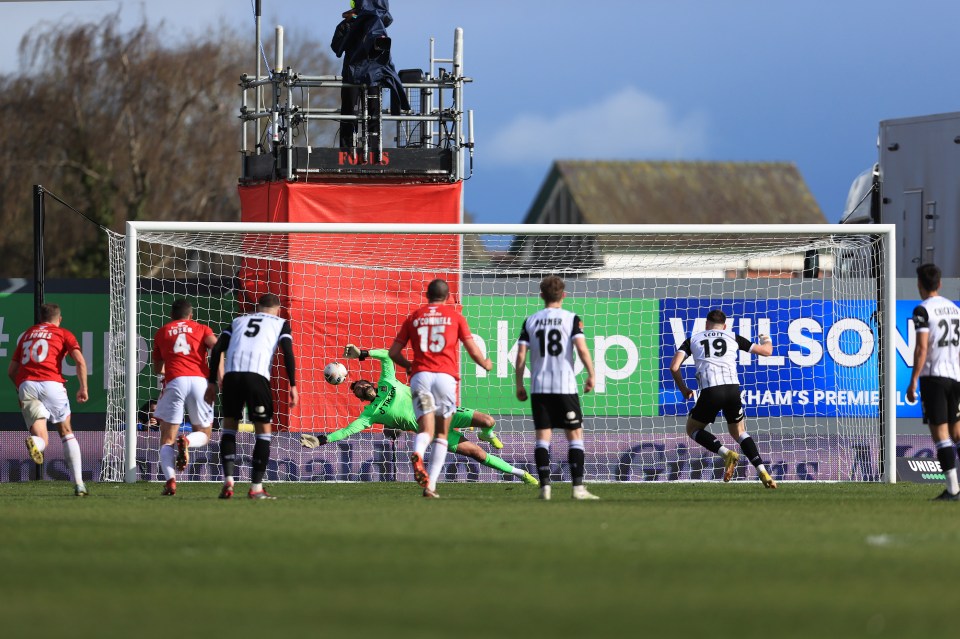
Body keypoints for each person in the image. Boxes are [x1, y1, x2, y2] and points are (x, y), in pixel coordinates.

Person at [301, 344, 538, 487]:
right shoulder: (370, 414)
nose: (357, 388)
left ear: (367, 382)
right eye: (355, 391)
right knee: (477, 454)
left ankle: (487, 434)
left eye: (359, 385)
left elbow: (386, 355)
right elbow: (347, 431)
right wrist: (321, 440)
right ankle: (522, 474)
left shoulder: (388, 382)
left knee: (488, 421)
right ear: (361, 399)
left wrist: (362, 353)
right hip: (431, 431)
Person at [389, 279, 493, 498]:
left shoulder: (415, 317)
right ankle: (431, 486)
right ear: (447, 298)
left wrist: (409, 366)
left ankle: (418, 452)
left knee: (425, 429)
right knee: (442, 434)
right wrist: (485, 363)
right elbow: (472, 348)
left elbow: (393, 353)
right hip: (445, 379)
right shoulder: (455, 317)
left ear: (427, 295)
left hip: (421, 378)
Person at [204, 293, 298, 500]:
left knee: (229, 427)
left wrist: (212, 382)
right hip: (256, 377)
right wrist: (293, 384)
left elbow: (218, 348)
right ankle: (256, 488)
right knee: (263, 432)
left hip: (231, 378)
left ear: (257, 308)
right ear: (278, 309)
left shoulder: (238, 320)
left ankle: (228, 480)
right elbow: (288, 352)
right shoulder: (280, 322)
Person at [669, 309, 776, 488]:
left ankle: (726, 454)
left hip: (711, 391)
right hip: (733, 389)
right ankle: (762, 470)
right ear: (724, 326)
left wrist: (684, 389)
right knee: (739, 432)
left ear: (706, 325)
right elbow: (767, 351)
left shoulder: (693, 339)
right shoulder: (732, 336)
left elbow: (674, 367)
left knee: (693, 429)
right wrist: (767, 339)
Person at [515, 276, 598, 501]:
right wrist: (591, 374)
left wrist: (519, 384)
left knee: (543, 437)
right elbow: (581, 348)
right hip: (564, 385)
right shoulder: (571, 319)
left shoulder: (530, 320)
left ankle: (545, 488)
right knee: (575, 436)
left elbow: (521, 355)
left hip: (539, 387)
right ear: (564, 295)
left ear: (541, 295)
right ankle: (578, 488)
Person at [7, 303, 89, 496]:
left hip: (27, 386)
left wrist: (21, 389)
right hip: (52, 384)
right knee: (66, 432)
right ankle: (79, 483)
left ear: (40, 318)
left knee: (42, 437)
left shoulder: (27, 334)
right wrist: (83, 387)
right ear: (59, 319)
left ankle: (36, 444)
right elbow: (79, 361)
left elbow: (11, 371)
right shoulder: (63, 333)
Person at [151, 298, 218, 496]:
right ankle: (187, 441)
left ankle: (171, 481)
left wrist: (171, 368)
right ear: (191, 315)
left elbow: (158, 368)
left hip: (175, 382)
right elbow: (216, 346)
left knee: (167, 438)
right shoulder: (201, 328)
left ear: (171, 316)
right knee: (204, 435)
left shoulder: (163, 332)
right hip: (199, 381)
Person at [905, 263, 960, 501]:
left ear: (920, 285)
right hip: (956, 377)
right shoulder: (954, 309)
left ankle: (953, 489)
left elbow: (922, 348)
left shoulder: (923, 310)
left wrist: (913, 380)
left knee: (941, 435)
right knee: (957, 433)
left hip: (934, 378)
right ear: (939, 283)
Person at [330, 0, 409, 152]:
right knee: (348, 111)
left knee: (374, 112)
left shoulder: (376, 24)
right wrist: (349, 30)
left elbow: (385, 23)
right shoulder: (345, 25)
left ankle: (374, 148)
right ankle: (346, 149)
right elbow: (336, 47)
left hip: (373, 75)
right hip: (352, 75)